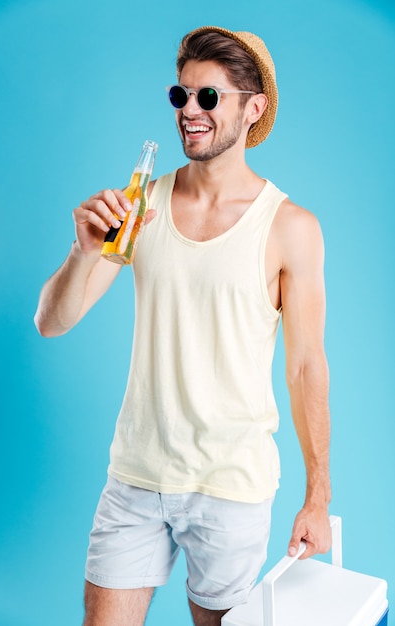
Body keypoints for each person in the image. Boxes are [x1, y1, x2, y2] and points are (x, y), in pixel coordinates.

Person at [34, 26, 332, 626]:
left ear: (254, 107)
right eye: (181, 96)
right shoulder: (140, 204)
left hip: (231, 487)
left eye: (208, 98)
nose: (189, 113)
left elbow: (305, 368)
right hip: (136, 474)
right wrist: (83, 251)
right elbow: (52, 321)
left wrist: (317, 495)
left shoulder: (290, 227)